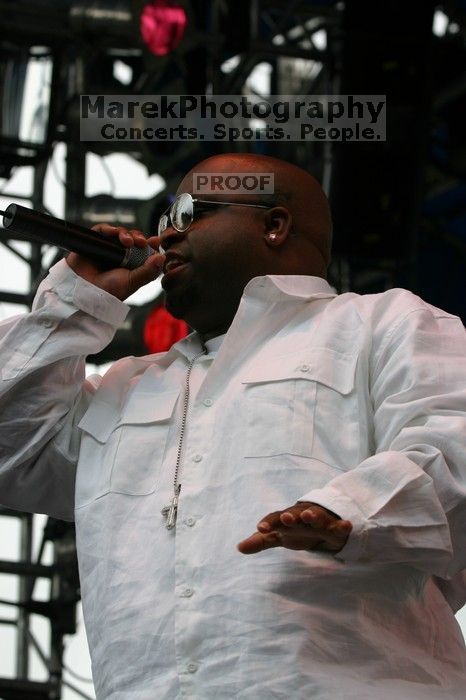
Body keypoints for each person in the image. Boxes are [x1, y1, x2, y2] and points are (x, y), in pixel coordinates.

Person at [0, 153, 465, 700]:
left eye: (189, 212)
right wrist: (74, 303)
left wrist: (353, 510)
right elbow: (11, 445)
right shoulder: (124, 389)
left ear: (273, 225)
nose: (167, 236)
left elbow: (450, 439)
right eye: (162, 220)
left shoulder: (381, 322)